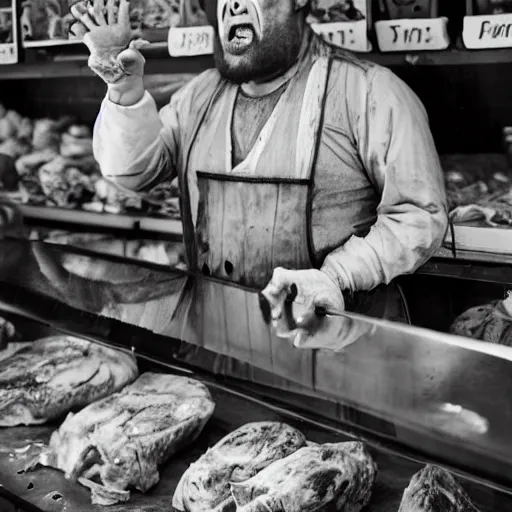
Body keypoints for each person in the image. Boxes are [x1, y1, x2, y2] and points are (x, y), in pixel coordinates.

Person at [69, 0, 448, 344]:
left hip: (338, 356)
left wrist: (338, 276)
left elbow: (417, 216)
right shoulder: (200, 95)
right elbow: (135, 172)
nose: (231, 5)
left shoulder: (369, 91)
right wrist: (125, 89)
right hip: (223, 353)